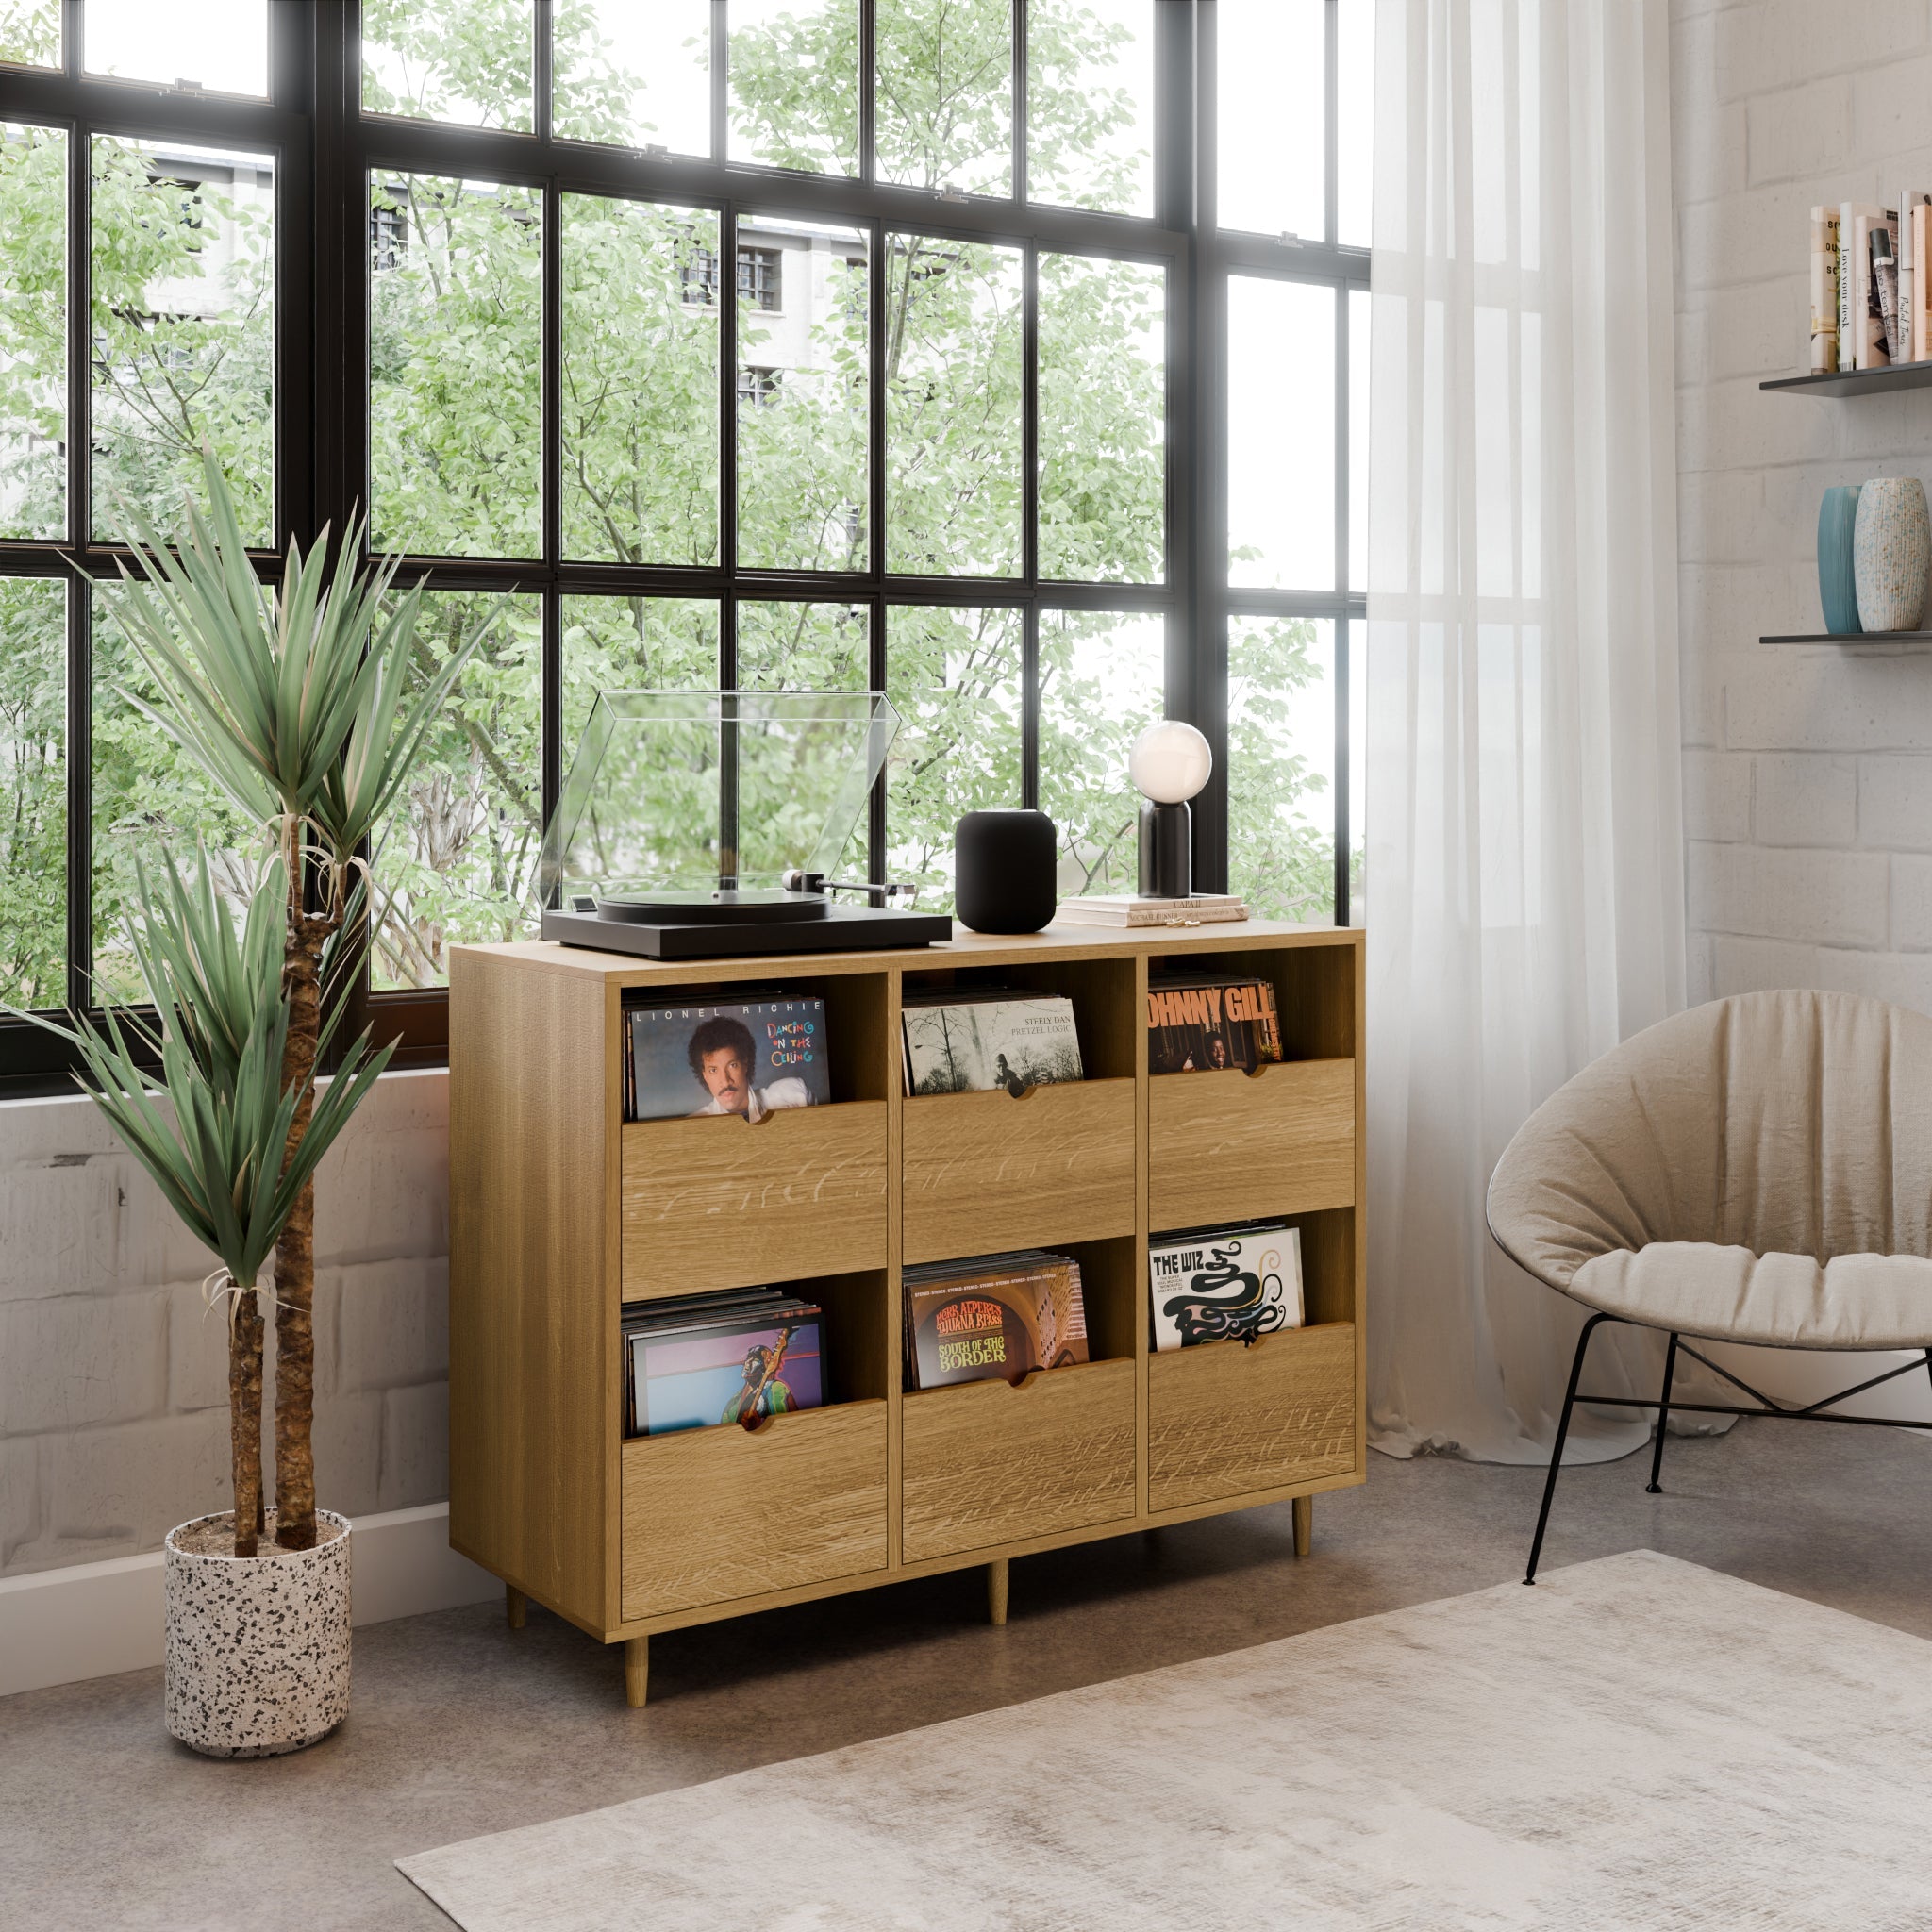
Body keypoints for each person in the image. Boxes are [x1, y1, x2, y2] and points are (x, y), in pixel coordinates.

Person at [686, 1015, 817, 1121]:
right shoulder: (693, 1125)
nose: (725, 1081)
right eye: (713, 1070)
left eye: (732, 1065)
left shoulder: (793, 1095)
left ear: (745, 1064)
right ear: (704, 1075)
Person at [722, 1339, 797, 1424]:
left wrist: (758, 1425)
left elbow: (782, 1424)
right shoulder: (735, 1399)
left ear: (765, 1367)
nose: (747, 1363)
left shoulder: (775, 1388)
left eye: (755, 1360)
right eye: (748, 1358)